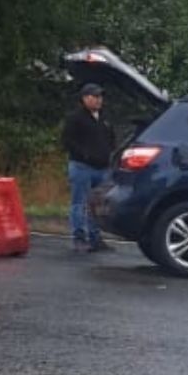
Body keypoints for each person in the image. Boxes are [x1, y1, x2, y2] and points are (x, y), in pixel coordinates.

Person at [62, 83, 115, 253]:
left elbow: (111, 139)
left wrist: (109, 154)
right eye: (95, 96)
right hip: (81, 166)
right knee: (79, 203)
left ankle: (95, 237)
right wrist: (84, 155)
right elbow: (67, 141)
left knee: (97, 205)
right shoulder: (75, 118)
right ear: (85, 98)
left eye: (100, 96)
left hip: (102, 168)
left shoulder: (105, 118)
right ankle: (79, 237)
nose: (99, 100)